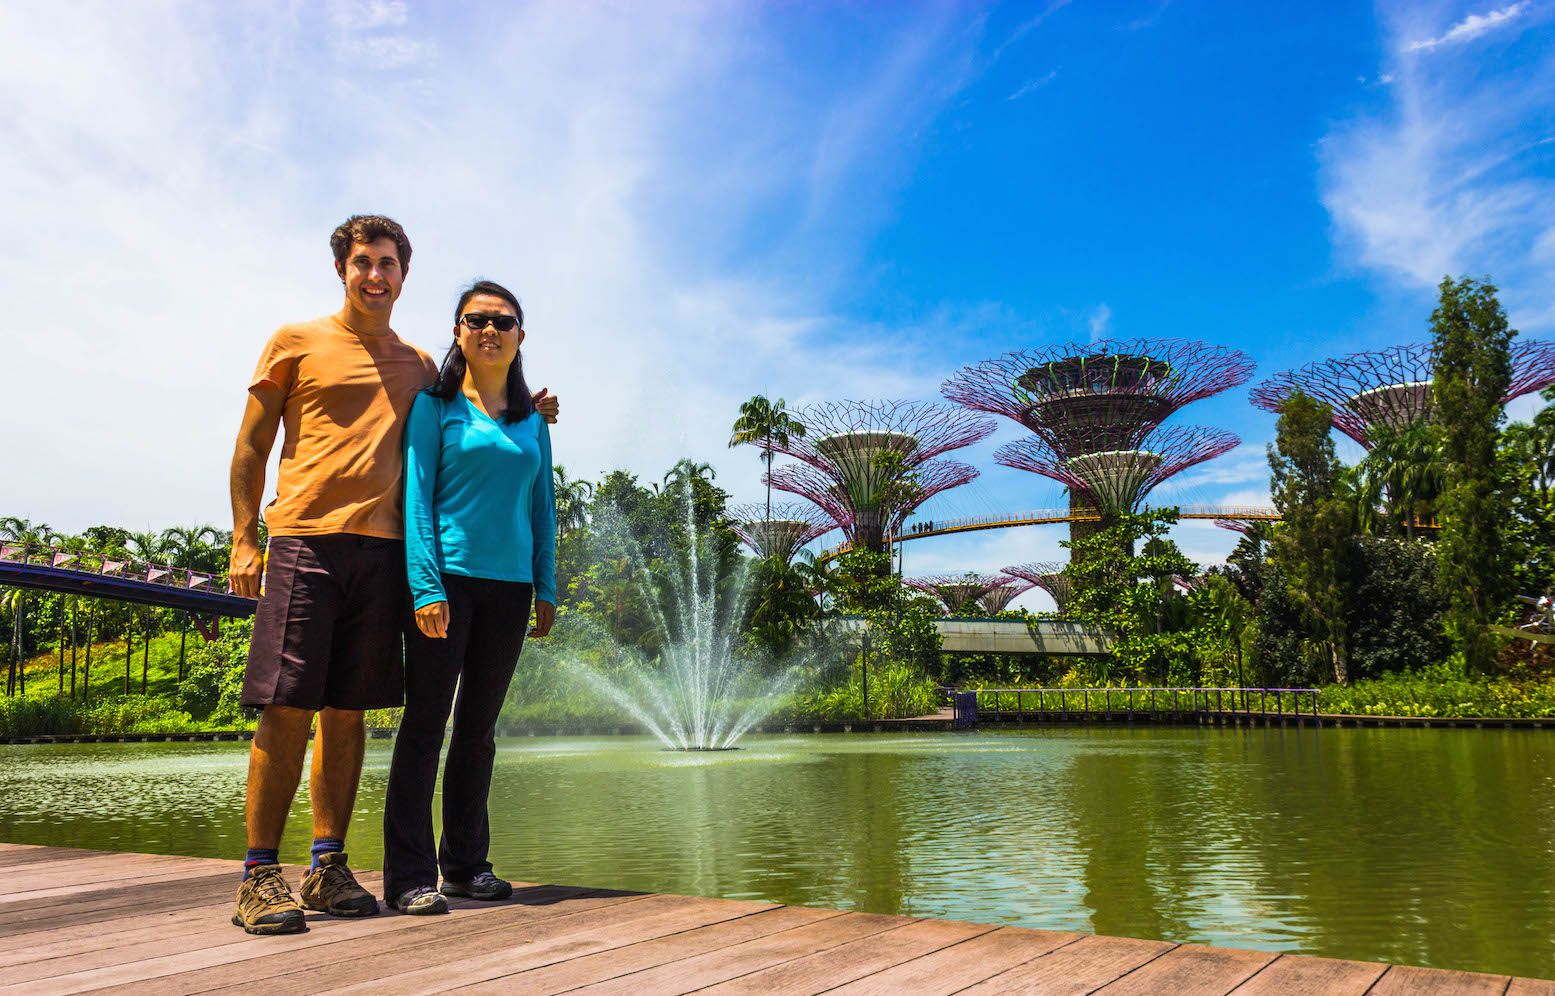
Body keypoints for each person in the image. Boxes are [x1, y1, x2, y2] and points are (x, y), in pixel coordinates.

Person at [228, 218, 557, 935]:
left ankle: (327, 865)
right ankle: (259, 874)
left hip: (380, 557)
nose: (375, 275)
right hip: (308, 542)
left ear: (404, 276)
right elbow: (252, 443)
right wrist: (244, 537)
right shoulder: (294, 341)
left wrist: (534, 408)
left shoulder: (415, 365)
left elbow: (479, 404)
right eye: (362, 263)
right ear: (342, 270)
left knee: (347, 712)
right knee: (286, 706)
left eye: (387, 264)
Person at [382, 280, 556, 915]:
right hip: (446, 583)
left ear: (520, 336)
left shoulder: (533, 420)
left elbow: (543, 508)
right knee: (426, 723)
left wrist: (547, 584)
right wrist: (425, 587)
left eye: (502, 321)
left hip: (510, 589)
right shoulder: (435, 407)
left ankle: (465, 866)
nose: (490, 329)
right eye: (475, 320)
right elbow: (417, 502)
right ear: (458, 332)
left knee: (478, 730)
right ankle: (407, 877)